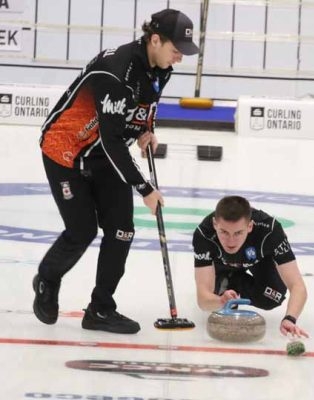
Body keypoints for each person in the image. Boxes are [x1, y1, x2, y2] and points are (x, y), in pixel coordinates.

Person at [33, 9, 199, 334]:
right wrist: (145, 188)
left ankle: (100, 309)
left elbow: (143, 107)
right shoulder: (117, 70)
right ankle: (48, 280)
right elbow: (110, 140)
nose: (179, 58)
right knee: (82, 231)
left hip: (104, 154)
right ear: (155, 40)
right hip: (67, 151)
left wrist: (144, 130)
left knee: (122, 229)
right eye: (176, 50)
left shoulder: (159, 68)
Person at [193, 195, 309, 338]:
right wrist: (221, 300)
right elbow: (203, 300)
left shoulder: (270, 231)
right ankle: (228, 283)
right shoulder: (204, 235)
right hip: (221, 263)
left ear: (250, 226)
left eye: (238, 233)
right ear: (215, 224)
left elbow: (297, 286)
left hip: (259, 260)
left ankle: (236, 285)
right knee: (217, 302)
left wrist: (290, 318)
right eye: (224, 232)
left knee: (272, 298)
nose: (231, 241)